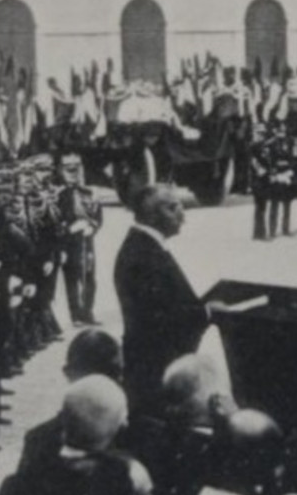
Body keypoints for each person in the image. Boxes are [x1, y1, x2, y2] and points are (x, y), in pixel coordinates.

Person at [113, 184, 224, 415]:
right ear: (152, 214)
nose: (182, 214)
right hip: (155, 368)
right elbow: (160, 316)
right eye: (173, 207)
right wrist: (206, 312)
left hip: (154, 364)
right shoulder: (143, 254)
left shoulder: (145, 246)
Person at [56, 155, 103, 325]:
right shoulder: (58, 195)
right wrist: (68, 229)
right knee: (72, 277)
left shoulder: (89, 192)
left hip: (86, 239)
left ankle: (88, 312)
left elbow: (97, 215)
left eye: (76, 169)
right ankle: (75, 314)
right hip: (69, 241)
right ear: (61, 171)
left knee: (89, 276)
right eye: (69, 170)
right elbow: (53, 220)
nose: (73, 173)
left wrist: (93, 226)